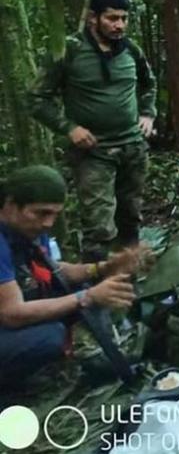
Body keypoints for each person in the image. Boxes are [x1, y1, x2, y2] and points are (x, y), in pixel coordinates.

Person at [32, 0, 156, 262]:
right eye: (112, 18)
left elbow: (149, 84)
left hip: (132, 148)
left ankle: (129, 284)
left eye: (124, 18)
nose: (119, 25)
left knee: (131, 218)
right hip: (94, 152)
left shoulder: (131, 50)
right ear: (93, 18)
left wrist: (147, 114)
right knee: (99, 228)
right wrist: (69, 128)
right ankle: (97, 293)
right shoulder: (69, 50)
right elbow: (37, 99)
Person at [0, 166, 146, 388]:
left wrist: (103, 268)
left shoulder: (26, 228)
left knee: (87, 285)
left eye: (54, 214)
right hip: (8, 313)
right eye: (41, 213)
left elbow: (53, 270)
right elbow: (11, 313)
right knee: (49, 336)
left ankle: (105, 354)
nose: (48, 223)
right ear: (10, 205)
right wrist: (86, 297)